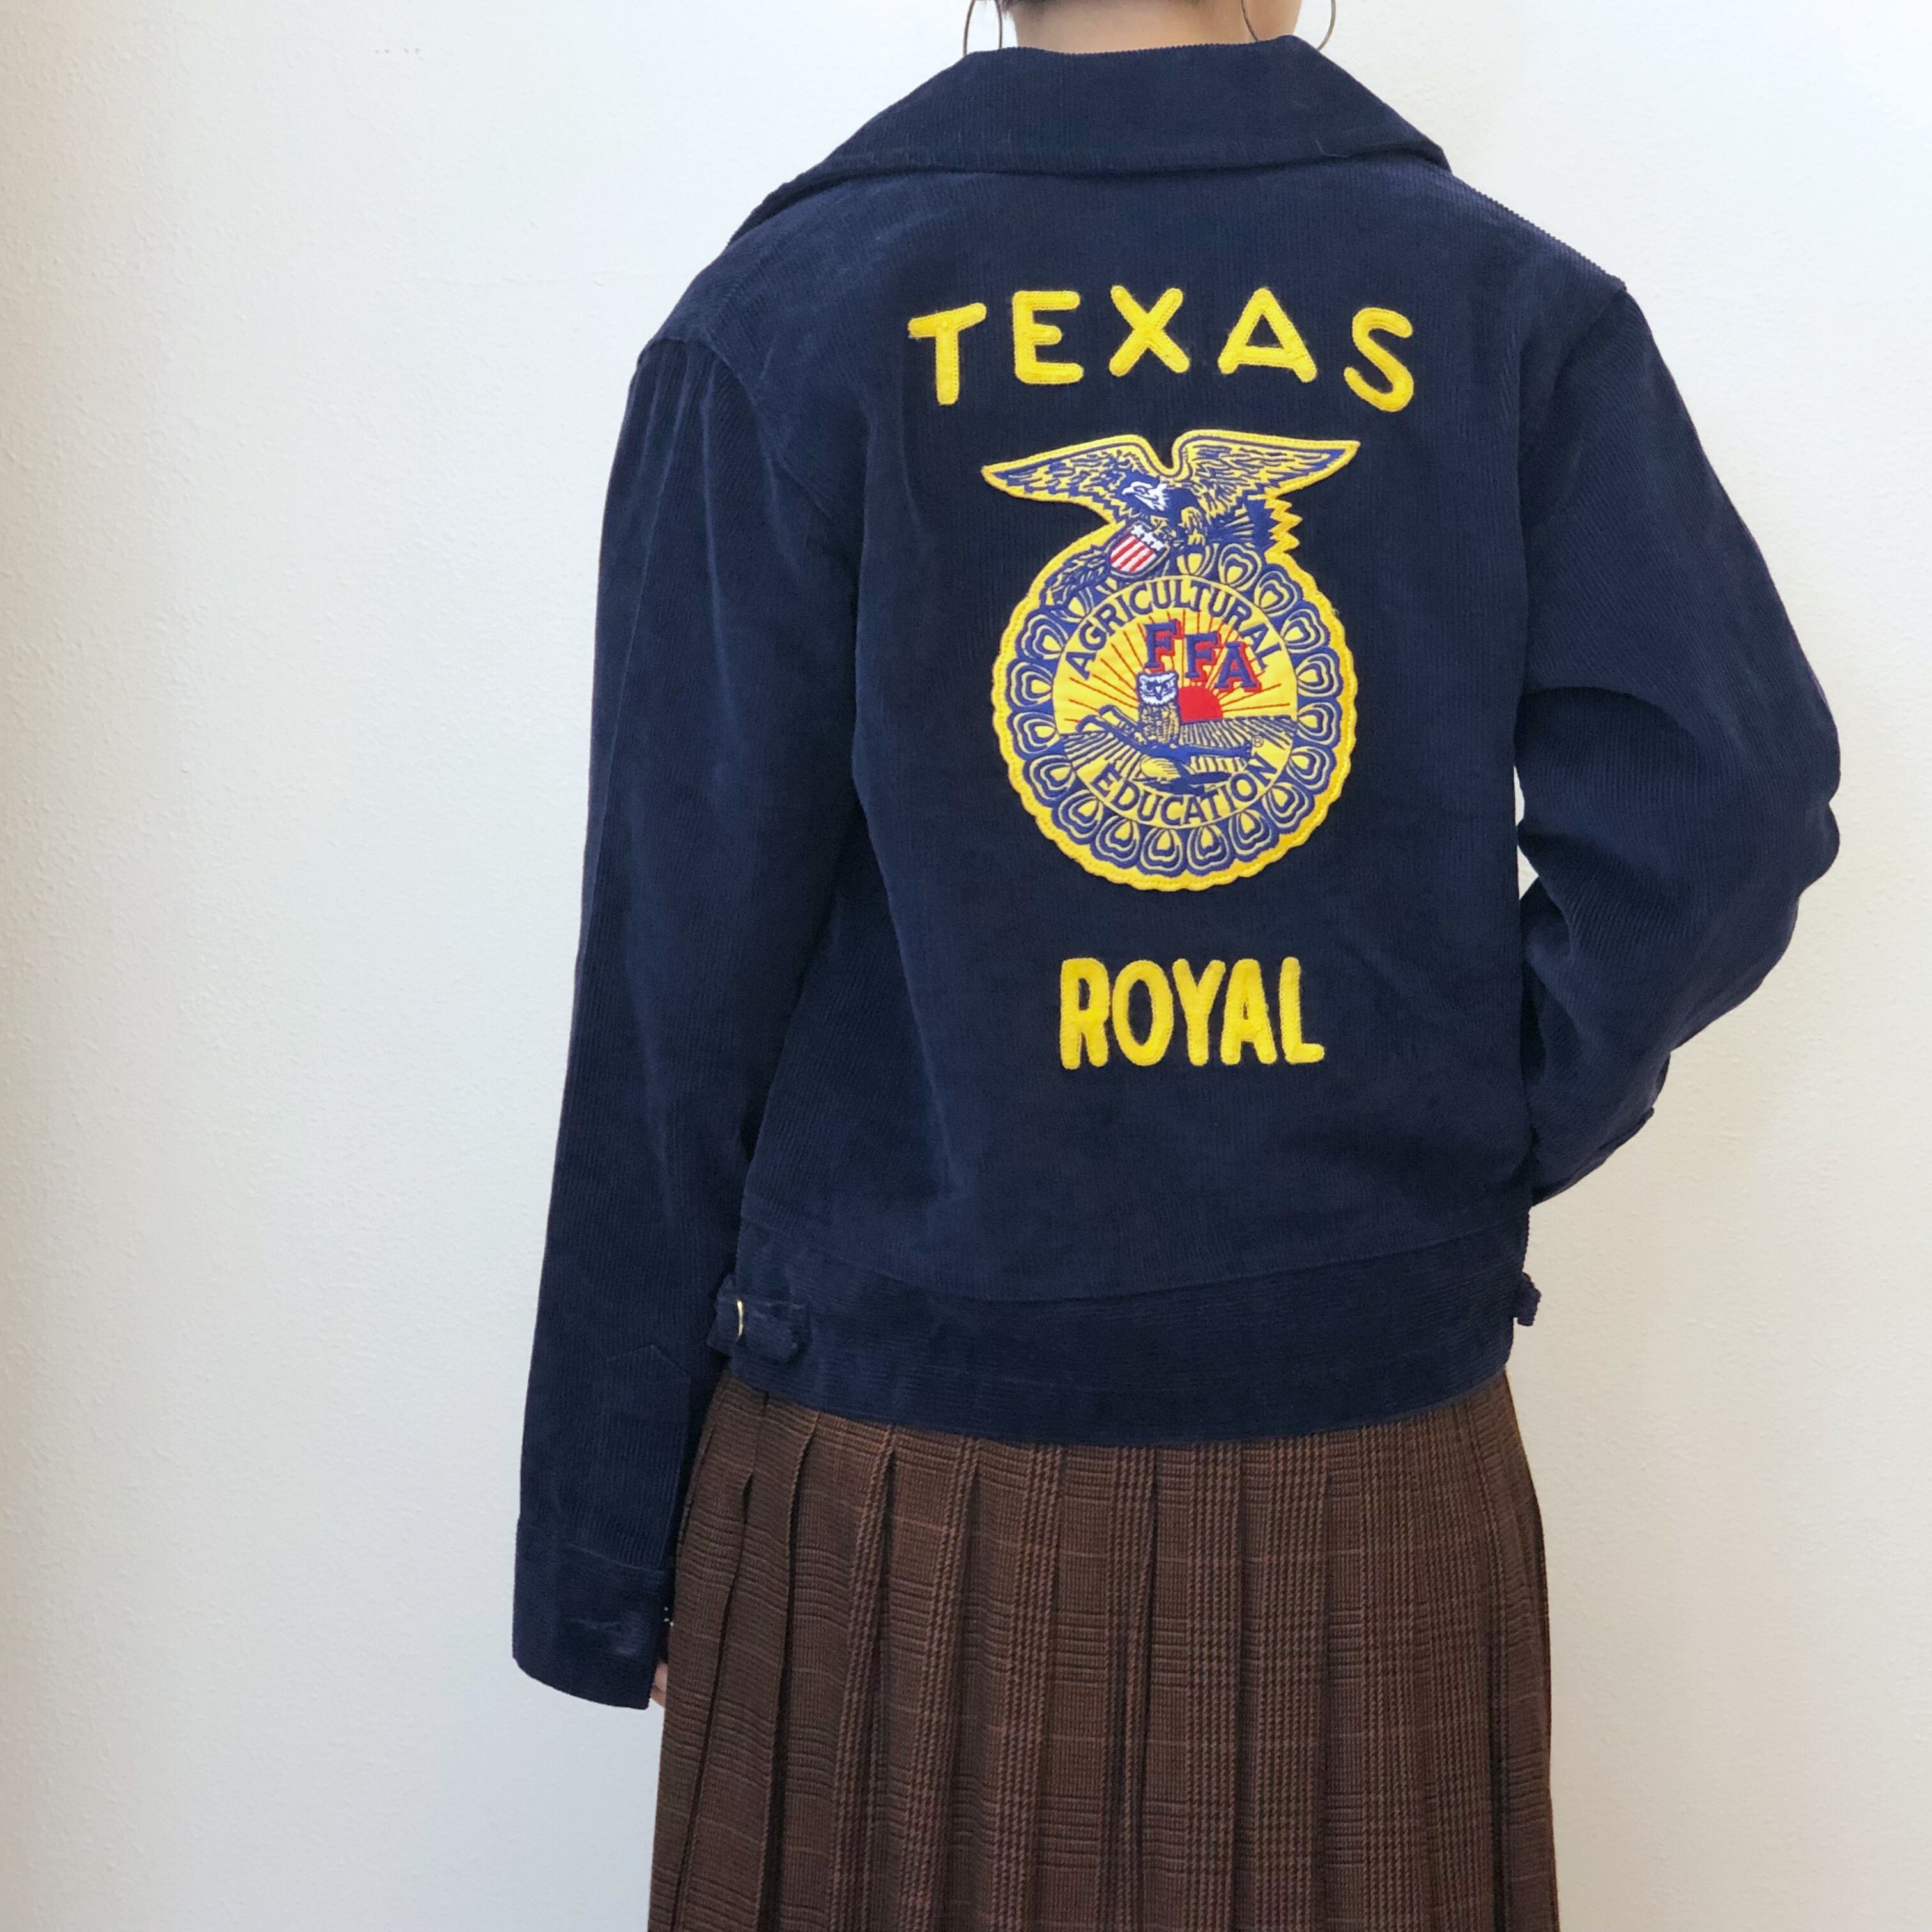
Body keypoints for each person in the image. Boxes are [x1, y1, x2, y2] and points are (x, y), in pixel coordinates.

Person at [512, 1, 1841, 1924]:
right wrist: (1464, 1122)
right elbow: (1724, 802)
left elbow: (674, 968)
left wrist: (601, 1541)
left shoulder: (793, 315)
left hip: (892, 1488)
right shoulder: (1504, 309)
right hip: (1365, 1469)